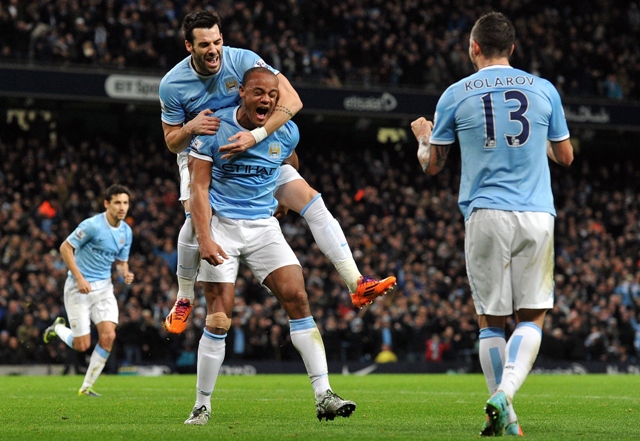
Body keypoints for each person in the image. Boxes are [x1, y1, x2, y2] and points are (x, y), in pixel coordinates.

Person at [159, 10, 395, 334]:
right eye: (204, 44)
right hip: (204, 154)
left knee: (313, 201)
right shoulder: (172, 85)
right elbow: (172, 142)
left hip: (254, 150)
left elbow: (292, 99)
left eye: (217, 41)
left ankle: (357, 282)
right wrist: (190, 127)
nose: (213, 49)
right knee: (194, 217)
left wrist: (255, 136)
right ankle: (184, 298)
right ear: (189, 46)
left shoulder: (242, 61)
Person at [410, 12, 574, 437]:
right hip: (538, 214)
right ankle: (507, 409)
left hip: (486, 215)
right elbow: (567, 156)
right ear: (513, 49)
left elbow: (433, 166)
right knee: (532, 318)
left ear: (474, 48)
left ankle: (504, 405)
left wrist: (423, 140)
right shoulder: (544, 90)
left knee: (491, 321)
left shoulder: (455, 94)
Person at [183, 67, 355, 425]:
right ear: (242, 92)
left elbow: (289, 160)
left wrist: (285, 198)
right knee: (219, 316)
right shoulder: (214, 129)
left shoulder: (285, 130)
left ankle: (324, 394)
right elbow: (198, 189)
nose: (266, 100)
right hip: (222, 227)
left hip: (263, 227)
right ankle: (202, 404)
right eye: (259, 93)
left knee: (298, 297)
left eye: (272, 95)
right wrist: (205, 237)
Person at [43, 184, 134, 396]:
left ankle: (86, 387)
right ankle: (57, 329)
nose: (122, 207)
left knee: (109, 336)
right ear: (106, 204)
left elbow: (121, 261)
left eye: (125, 203)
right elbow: (66, 247)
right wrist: (79, 277)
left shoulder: (126, 232)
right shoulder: (92, 225)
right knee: (82, 345)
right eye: (117, 202)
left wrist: (125, 273)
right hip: (78, 288)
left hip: (104, 289)